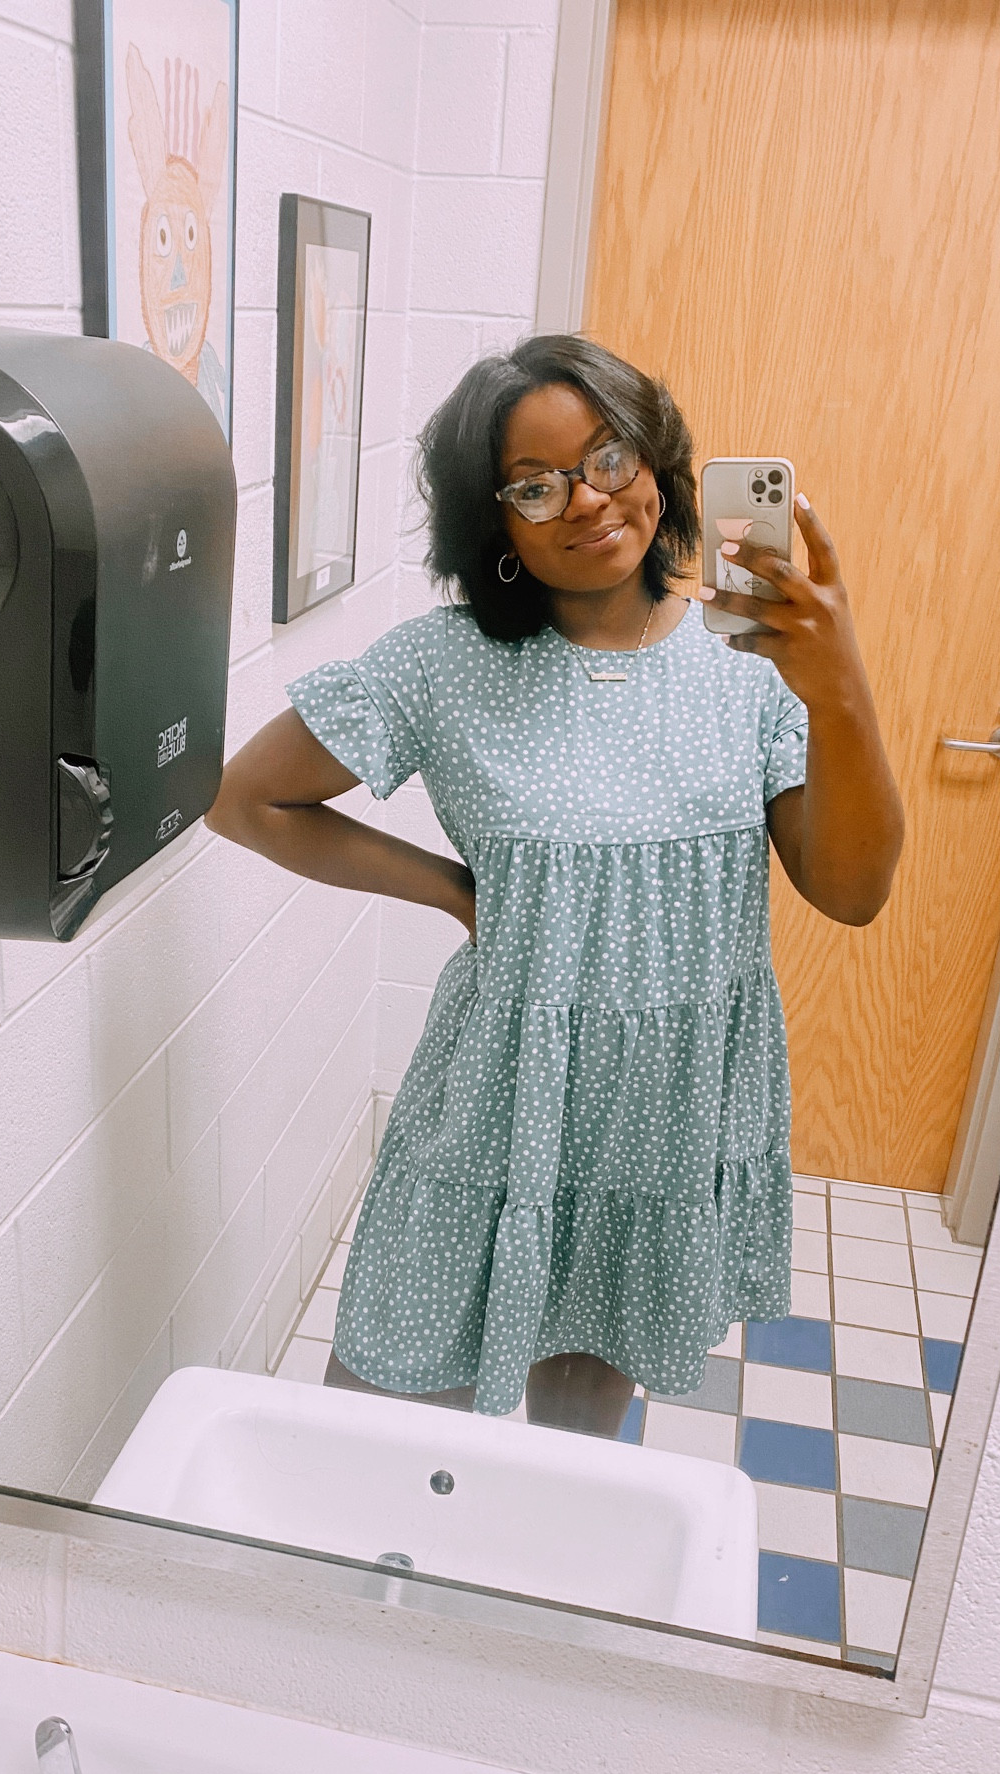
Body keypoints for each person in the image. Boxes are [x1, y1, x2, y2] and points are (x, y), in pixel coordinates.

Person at [207, 335, 902, 1437]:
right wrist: (452, 890)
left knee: (576, 1440)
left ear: (656, 463)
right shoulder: (441, 666)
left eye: (609, 456)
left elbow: (853, 890)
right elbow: (245, 798)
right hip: (494, 1106)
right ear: (496, 526)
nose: (588, 499)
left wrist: (841, 687)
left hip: (660, 1121)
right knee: (385, 1432)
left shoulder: (754, 669)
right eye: (536, 485)